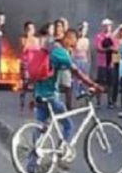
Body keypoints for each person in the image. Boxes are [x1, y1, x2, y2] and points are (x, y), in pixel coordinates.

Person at [30, 27, 102, 161]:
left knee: (40, 128)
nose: (74, 47)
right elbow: (76, 72)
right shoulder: (60, 52)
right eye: (73, 43)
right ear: (68, 38)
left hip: (39, 94)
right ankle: (60, 154)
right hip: (51, 95)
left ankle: (32, 165)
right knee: (68, 125)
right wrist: (93, 85)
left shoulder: (49, 48)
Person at [93, 19, 116, 107]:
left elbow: (116, 48)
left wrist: (112, 49)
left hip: (111, 63)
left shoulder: (113, 37)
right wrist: (108, 49)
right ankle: (98, 100)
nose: (107, 27)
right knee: (100, 82)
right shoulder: (99, 36)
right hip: (101, 63)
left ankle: (109, 100)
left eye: (109, 25)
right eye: (105, 26)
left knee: (110, 83)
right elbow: (99, 48)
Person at [19, 21, 39, 110]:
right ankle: (22, 101)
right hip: (26, 64)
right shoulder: (23, 39)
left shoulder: (37, 40)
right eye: (28, 29)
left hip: (35, 64)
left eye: (32, 28)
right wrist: (28, 38)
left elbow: (38, 51)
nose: (30, 30)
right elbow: (23, 49)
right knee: (26, 84)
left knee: (36, 85)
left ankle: (33, 102)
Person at [73, 21, 92, 99]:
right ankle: (76, 92)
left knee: (85, 76)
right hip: (76, 59)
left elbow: (88, 51)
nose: (82, 32)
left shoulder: (87, 40)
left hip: (84, 60)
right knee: (76, 77)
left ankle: (84, 90)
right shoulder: (75, 40)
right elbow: (73, 51)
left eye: (84, 30)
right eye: (81, 30)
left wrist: (89, 61)